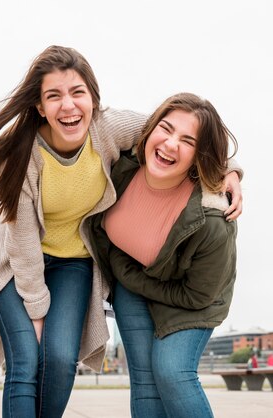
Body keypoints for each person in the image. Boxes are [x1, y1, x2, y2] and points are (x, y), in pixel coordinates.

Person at [0, 47, 244, 417]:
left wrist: (230, 170)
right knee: (27, 359)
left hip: (73, 263)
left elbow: (183, 135)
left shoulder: (108, 128)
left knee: (59, 359)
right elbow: (23, 242)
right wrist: (37, 309)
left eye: (77, 93)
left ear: (93, 98)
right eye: (53, 96)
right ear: (40, 107)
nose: (68, 106)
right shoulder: (23, 156)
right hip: (15, 264)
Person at [90, 92, 240, 418]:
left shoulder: (213, 221)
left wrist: (125, 272)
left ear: (200, 154)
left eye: (187, 140)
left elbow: (198, 294)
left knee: (172, 372)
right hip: (132, 280)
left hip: (190, 297)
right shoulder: (125, 164)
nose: (170, 144)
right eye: (166, 129)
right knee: (144, 380)